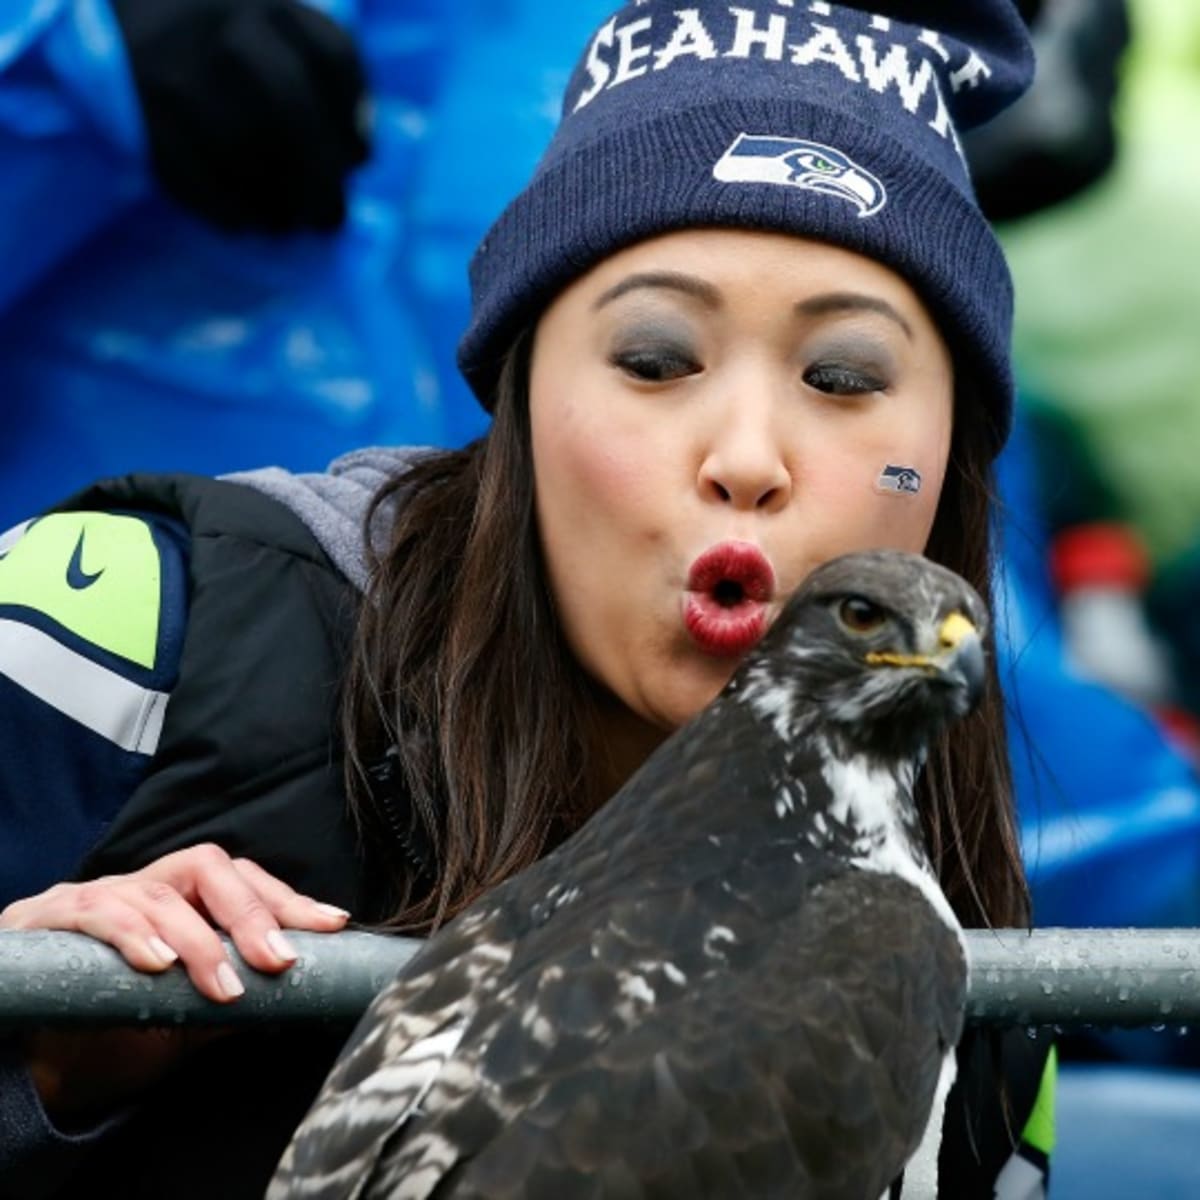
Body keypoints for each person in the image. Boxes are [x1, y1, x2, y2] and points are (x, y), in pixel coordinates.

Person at [0, 2, 1056, 1196]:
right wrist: (42, 1068)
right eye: (654, 360)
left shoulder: (975, 981)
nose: (747, 457)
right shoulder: (128, 629)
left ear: (953, 454)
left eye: (844, 375)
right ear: (520, 404)